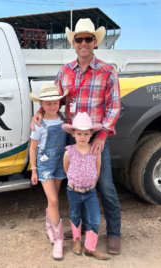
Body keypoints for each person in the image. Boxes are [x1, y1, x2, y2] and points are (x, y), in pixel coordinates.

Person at [31, 18, 122, 254]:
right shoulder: (65, 71)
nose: (83, 43)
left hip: (96, 138)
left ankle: (114, 233)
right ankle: (79, 229)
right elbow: (53, 100)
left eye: (88, 39)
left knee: (104, 185)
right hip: (72, 138)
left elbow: (114, 107)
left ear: (95, 42)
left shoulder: (107, 71)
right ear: (73, 42)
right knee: (75, 185)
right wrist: (40, 112)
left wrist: (101, 136)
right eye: (79, 38)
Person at [29, 83, 69, 260]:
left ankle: (49, 225)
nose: (52, 106)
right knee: (53, 200)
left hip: (60, 164)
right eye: (48, 104)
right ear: (41, 105)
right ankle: (59, 240)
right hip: (45, 165)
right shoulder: (39, 123)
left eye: (55, 103)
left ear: (59, 103)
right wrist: (34, 170)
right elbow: (33, 149)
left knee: (54, 200)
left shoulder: (64, 120)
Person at [62, 111, 110, 260]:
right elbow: (66, 168)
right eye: (79, 134)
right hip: (74, 191)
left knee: (95, 218)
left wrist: (92, 185)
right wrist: (74, 182)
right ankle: (76, 241)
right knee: (75, 214)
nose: (82, 137)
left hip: (90, 192)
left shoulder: (95, 152)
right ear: (73, 134)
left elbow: (97, 169)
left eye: (86, 134)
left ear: (91, 134)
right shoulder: (69, 152)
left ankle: (90, 247)